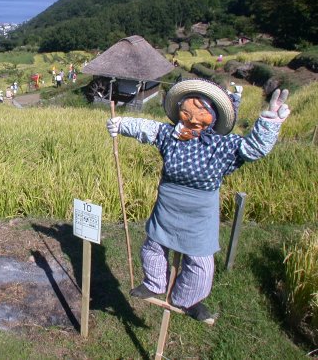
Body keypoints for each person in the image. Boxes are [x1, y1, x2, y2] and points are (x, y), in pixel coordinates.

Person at [106, 79, 290, 322]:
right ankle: (153, 282)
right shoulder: (170, 135)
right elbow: (148, 128)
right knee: (153, 247)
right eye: (187, 111)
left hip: (200, 212)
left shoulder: (222, 145)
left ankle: (189, 300)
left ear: (213, 116)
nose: (192, 118)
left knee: (200, 262)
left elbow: (252, 148)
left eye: (201, 112)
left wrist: (269, 121)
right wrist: (121, 124)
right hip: (167, 205)